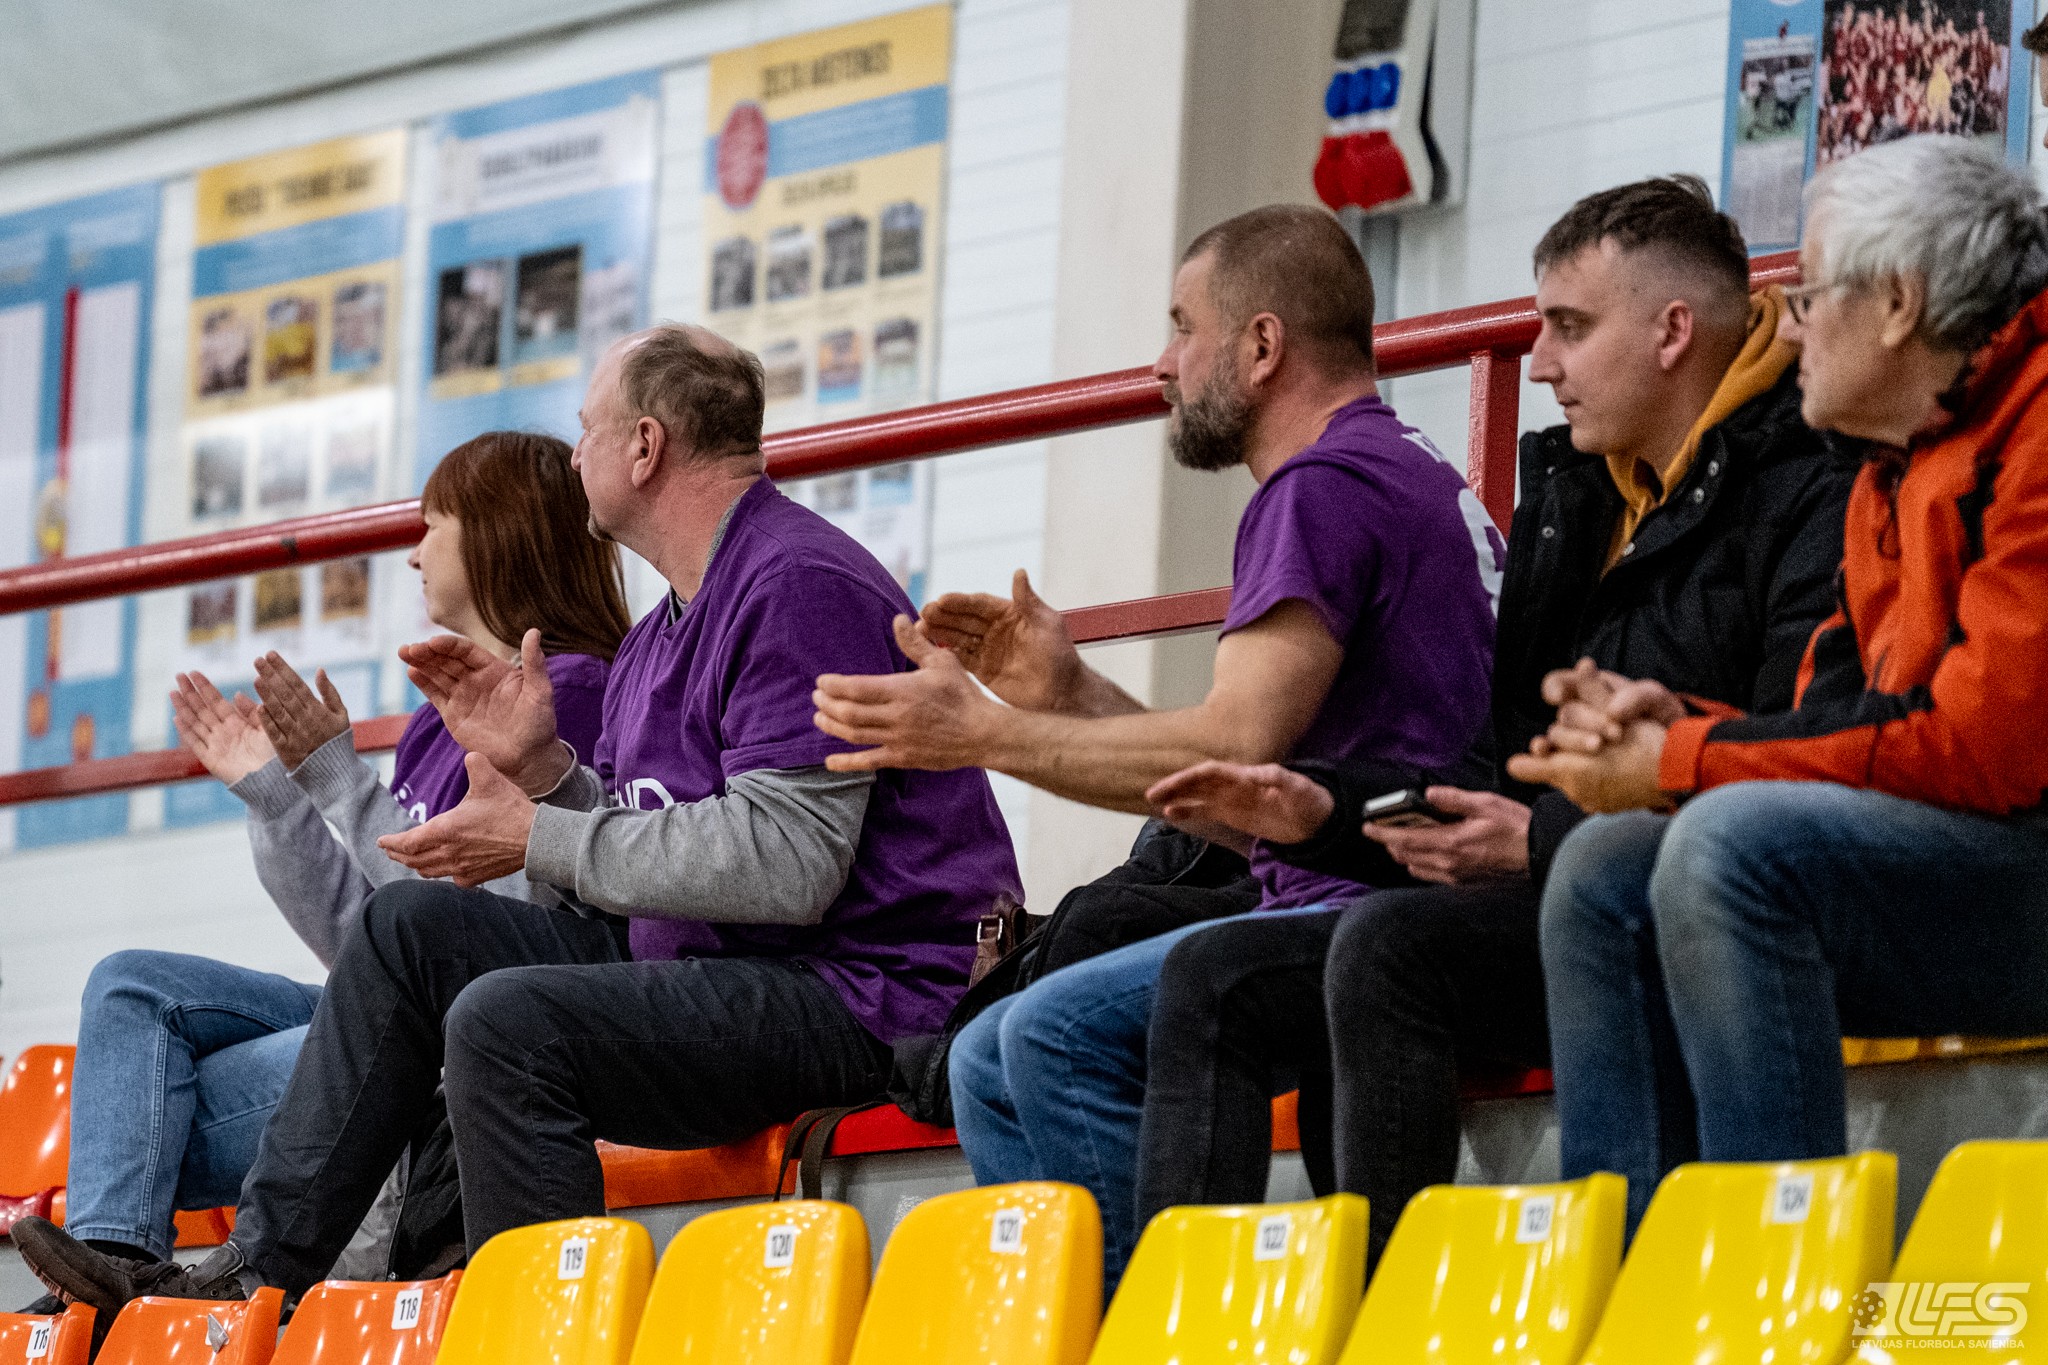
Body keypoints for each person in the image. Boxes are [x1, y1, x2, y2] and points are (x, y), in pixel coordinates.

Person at [14, 324, 1022, 1318]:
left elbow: (788, 862)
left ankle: (529, 1331)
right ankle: (257, 1273)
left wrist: (542, 831)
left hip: (859, 992)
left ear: (644, 446)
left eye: (587, 430)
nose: (574, 454)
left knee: (505, 1020)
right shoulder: (659, 633)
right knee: (408, 928)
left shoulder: (795, 583)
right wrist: (550, 775)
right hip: (717, 964)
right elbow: (644, 852)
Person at [1129, 176, 1858, 1266]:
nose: (1542, 363)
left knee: (1386, 946)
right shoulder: (1576, 500)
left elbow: (1803, 749)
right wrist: (1324, 812)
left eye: (1568, 327)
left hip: (1696, 886)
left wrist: (1542, 838)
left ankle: (1433, 1300)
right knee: (1227, 972)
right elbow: (1495, 760)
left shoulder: (1809, 480)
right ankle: (1302, 1316)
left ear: (1671, 333)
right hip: (1575, 876)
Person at [811, 203, 1503, 1285]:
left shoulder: (1323, 489)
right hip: (1364, 882)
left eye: (1183, 327)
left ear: (1262, 345)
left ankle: (1165, 1325)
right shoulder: (1396, 466)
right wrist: (1069, 696)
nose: (1161, 364)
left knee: (1046, 1035)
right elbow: (1247, 788)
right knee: (985, 1058)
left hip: (1390, 905)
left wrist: (987, 734)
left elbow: (1236, 739)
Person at [1523, 136, 2048, 1232]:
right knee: (1602, 868)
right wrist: (1682, 723)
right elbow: (1835, 726)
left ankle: (1771, 1260)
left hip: (2019, 857)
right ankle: (1635, 1276)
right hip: (1963, 856)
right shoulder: (1885, 466)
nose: (1790, 326)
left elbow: (1984, 751)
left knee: (1729, 846)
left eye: (1808, 296)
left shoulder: (2036, 431)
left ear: (1898, 304)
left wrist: (1681, 761)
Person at [28, 431, 624, 1311]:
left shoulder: (573, 694)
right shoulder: (432, 724)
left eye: (434, 524)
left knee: (145, 1118)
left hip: (459, 1031)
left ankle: (113, 1291)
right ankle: (110, 1258)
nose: (414, 552)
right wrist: (277, 798)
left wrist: (342, 784)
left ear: (500, 531)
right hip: (387, 1005)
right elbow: (364, 940)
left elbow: (485, 928)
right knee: (129, 987)